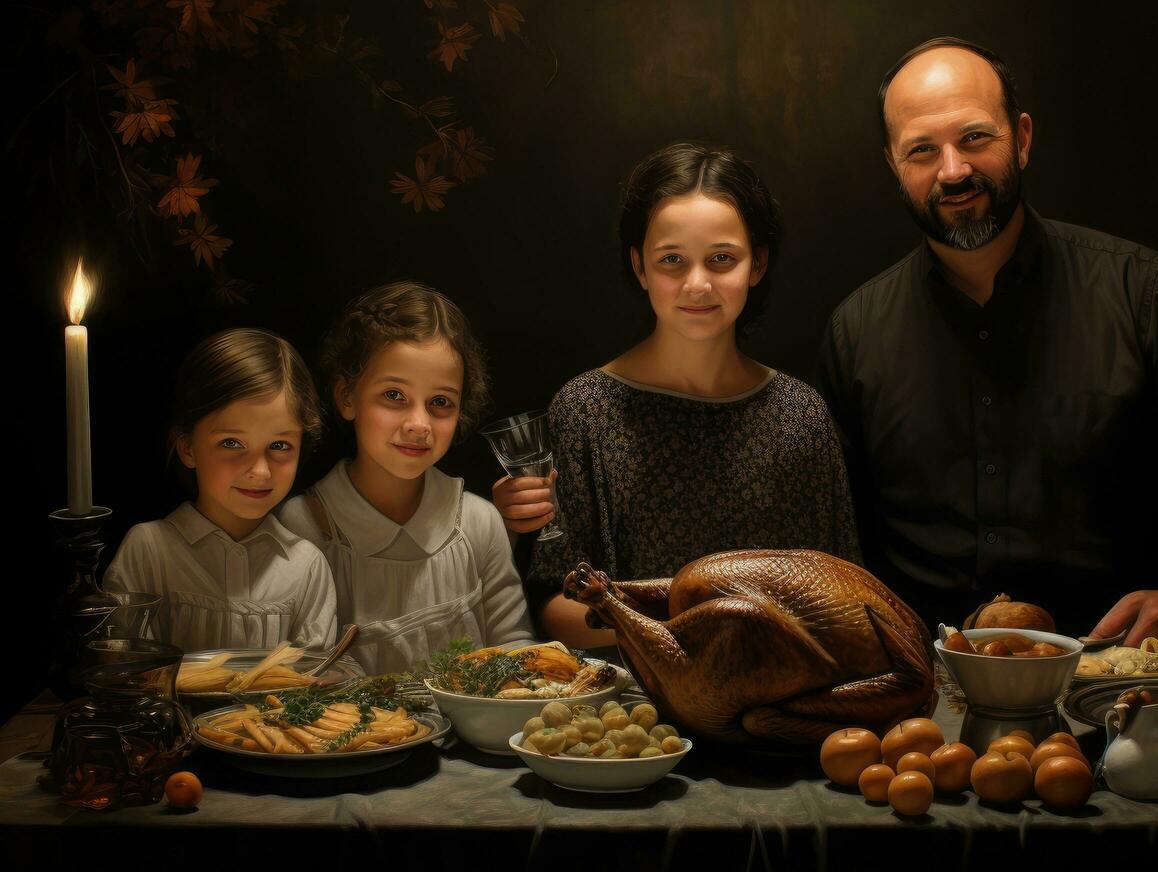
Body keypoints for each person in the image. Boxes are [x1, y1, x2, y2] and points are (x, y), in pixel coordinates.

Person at [817, 37, 1158, 645]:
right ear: (893, 165)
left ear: (1023, 138)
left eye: (975, 138)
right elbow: (835, 540)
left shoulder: (1145, 294)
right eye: (923, 150)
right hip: (925, 705)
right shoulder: (853, 333)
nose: (953, 170)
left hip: (1119, 682)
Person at [520, 142, 861, 648]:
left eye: (722, 258)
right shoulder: (585, 410)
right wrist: (689, 628)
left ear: (758, 264)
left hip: (778, 702)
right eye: (672, 260)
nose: (697, 284)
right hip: (631, 713)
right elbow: (555, 607)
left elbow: (843, 596)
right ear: (639, 266)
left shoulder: (800, 414)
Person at [278, 282, 536, 673]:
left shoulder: (479, 522)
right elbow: (298, 676)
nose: (419, 424)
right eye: (394, 396)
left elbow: (515, 650)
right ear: (347, 397)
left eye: (440, 403)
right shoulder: (305, 526)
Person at [103, 329, 338, 652]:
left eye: (279, 445)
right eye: (232, 443)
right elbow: (126, 671)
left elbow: (313, 684)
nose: (260, 471)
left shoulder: (307, 566)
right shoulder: (150, 551)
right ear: (187, 447)